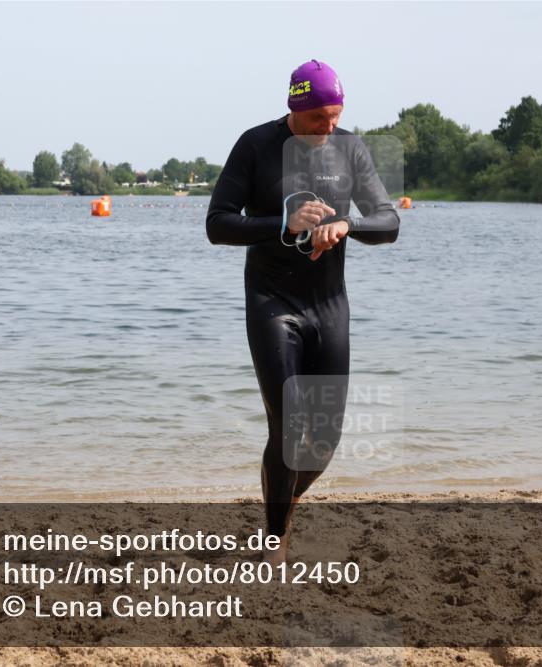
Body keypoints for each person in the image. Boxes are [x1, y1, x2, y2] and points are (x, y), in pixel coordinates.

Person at [206, 59, 399, 564]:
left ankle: (283, 501)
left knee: (325, 440)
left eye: (337, 116)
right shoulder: (255, 146)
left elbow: (388, 221)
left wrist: (348, 227)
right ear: (296, 106)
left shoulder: (350, 149)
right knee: (288, 425)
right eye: (320, 118)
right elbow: (218, 224)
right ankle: (274, 540)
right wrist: (282, 223)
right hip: (272, 300)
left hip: (328, 304)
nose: (329, 128)